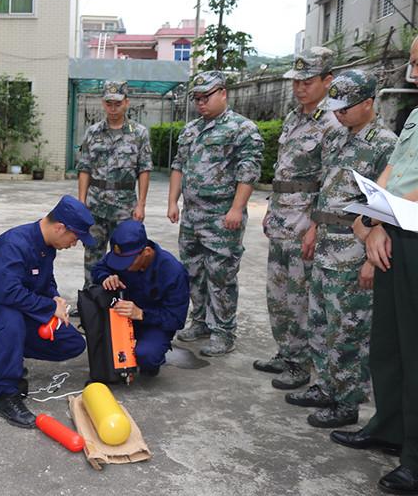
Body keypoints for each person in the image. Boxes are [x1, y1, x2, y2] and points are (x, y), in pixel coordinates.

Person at [284, 70, 396, 429]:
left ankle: (347, 401)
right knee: (320, 322)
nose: (340, 113)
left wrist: (370, 262)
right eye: (337, 107)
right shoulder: (337, 138)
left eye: (347, 107)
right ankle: (325, 386)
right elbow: (326, 190)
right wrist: (313, 228)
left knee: (349, 330)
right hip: (326, 246)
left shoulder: (385, 145)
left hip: (354, 250)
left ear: (368, 103)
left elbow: (386, 207)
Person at [331, 36, 418, 495]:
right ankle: (388, 427)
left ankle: (415, 457)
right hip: (397, 235)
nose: (413, 71)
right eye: (413, 60)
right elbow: (392, 175)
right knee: (389, 344)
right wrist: (377, 220)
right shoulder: (415, 115)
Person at [255, 47, 343, 390]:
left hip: (306, 222)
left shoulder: (333, 123)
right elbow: (284, 171)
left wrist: (316, 225)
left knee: (301, 295)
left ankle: (302, 363)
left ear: (327, 81)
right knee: (278, 294)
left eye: (308, 81)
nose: (300, 87)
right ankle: (287, 351)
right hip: (281, 218)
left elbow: (331, 180)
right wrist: (271, 209)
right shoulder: (294, 118)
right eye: (297, 81)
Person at [0, 195, 92, 428]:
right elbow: (7, 294)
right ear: (60, 227)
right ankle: (5, 396)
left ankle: (4, 351)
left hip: (18, 311)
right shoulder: (14, 244)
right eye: (76, 238)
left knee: (72, 342)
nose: (75, 244)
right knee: (10, 315)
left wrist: (54, 297)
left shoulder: (48, 246)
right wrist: (49, 307)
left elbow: (45, 279)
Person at [168, 71, 264, 356]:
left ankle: (223, 331)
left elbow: (249, 171)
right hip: (192, 215)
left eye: (205, 97)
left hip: (222, 216)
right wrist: (173, 202)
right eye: (196, 98)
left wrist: (237, 208)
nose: (200, 103)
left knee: (221, 274)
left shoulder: (242, 128)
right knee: (193, 272)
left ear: (223, 93)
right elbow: (178, 166)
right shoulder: (191, 130)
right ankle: (200, 321)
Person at [76, 80, 153, 285]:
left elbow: (144, 169)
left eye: (117, 103)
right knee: (92, 251)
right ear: (103, 103)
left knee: (127, 252)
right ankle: (92, 298)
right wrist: (81, 202)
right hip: (96, 203)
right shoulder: (92, 132)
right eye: (109, 103)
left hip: (125, 205)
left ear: (126, 102)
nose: (112, 108)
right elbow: (84, 168)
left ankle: (123, 298)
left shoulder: (139, 133)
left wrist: (141, 204)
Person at [90, 220, 190, 375]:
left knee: (146, 357)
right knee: (103, 358)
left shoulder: (173, 272)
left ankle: (154, 353)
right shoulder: (123, 252)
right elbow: (98, 268)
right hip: (120, 318)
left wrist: (141, 314)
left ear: (147, 252)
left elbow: (175, 319)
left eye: (128, 262)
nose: (122, 266)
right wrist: (106, 277)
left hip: (153, 325)